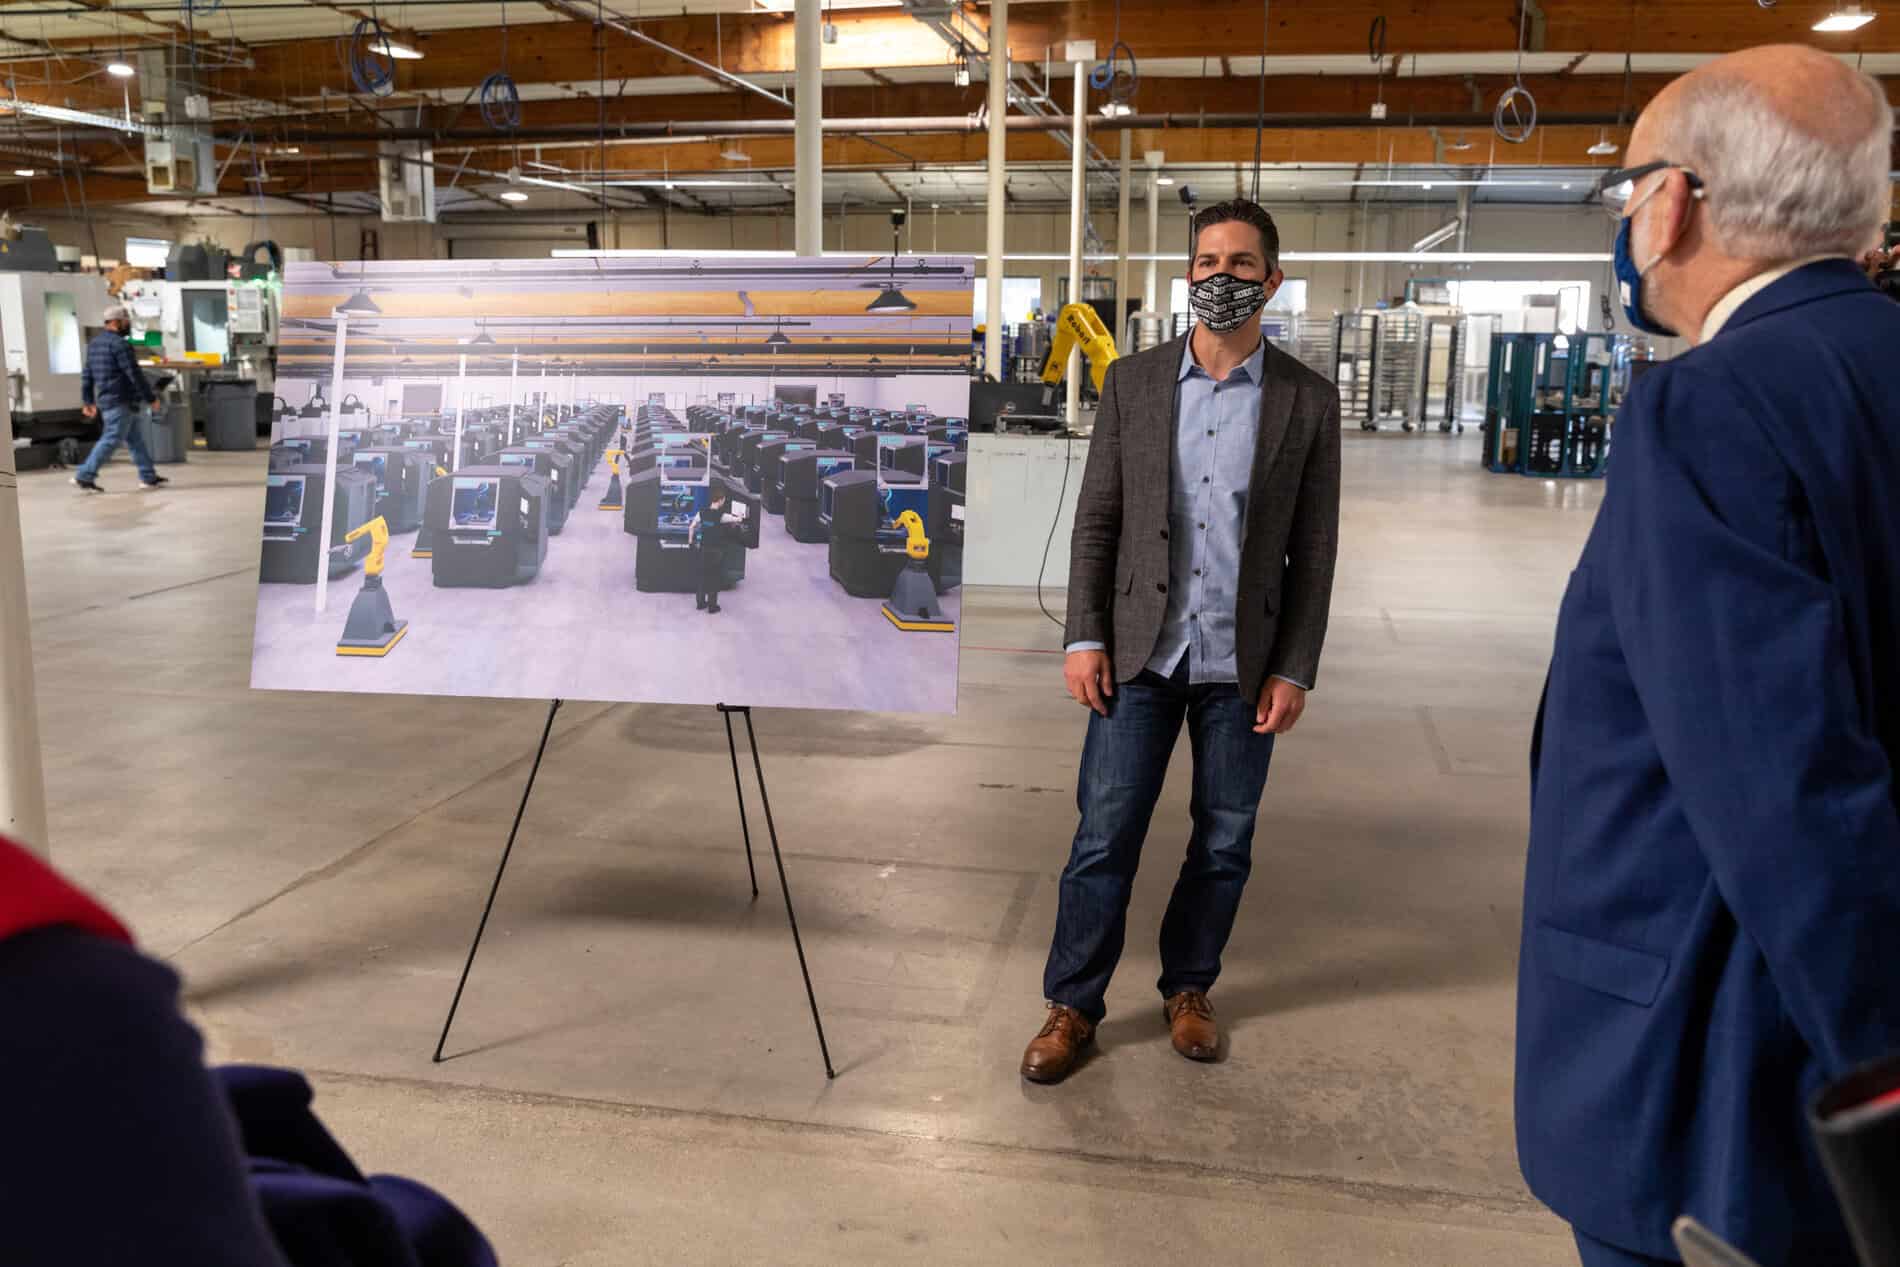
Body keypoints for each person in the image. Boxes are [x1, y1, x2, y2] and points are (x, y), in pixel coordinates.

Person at [1517, 45, 1900, 1267]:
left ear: (1674, 200)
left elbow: (1784, 788)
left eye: (1626, 189)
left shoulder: (1714, 405)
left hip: (1728, 1079)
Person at [1021, 199, 1342, 1084]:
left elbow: (1314, 549)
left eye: (1243, 265)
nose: (1222, 277)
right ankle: (1073, 1002)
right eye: (1207, 262)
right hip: (1140, 652)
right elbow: (1098, 522)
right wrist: (1084, 634)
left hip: (1244, 662)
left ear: (1272, 282)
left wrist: (1295, 665)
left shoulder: (1306, 401)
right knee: (1105, 832)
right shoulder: (1132, 382)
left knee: (1225, 837)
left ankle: (1189, 985)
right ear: (1186, 275)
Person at [73, 303, 166, 494]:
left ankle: (148, 476)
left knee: (135, 440)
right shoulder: (120, 345)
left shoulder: (94, 344)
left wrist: (88, 400)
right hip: (120, 400)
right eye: (125, 322)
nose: (127, 325)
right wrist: (150, 398)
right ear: (116, 322)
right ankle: (85, 474)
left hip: (108, 399)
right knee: (111, 439)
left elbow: (87, 375)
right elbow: (134, 373)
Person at [691, 481, 746, 614]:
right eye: (723, 500)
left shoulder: (701, 513)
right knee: (713, 578)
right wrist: (740, 516)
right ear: (720, 500)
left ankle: (700, 603)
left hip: (703, 549)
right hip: (716, 551)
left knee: (702, 576)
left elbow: (692, 526)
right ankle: (712, 606)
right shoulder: (722, 516)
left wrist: (691, 542)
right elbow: (737, 520)